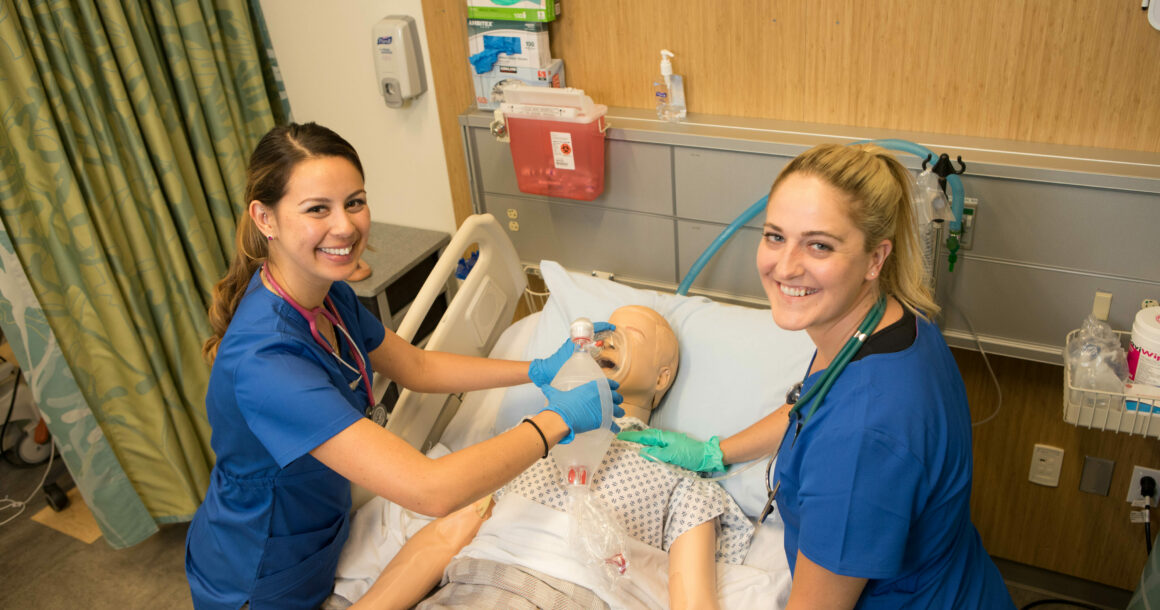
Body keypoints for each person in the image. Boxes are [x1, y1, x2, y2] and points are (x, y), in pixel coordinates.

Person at [185, 122, 622, 610]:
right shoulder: (263, 362)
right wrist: (557, 419)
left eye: (354, 201)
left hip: (319, 536)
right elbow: (431, 491)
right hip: (258, 575)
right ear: (265, 218)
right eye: (317, 209)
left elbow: (416, 366)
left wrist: (538, 369)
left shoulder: (330, 297)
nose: (346, 227)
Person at [619, 144, 1014, 608]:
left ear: (875, 259)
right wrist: (714, 452)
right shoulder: (887, 326)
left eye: (819, 245)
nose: (785, 266)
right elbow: (813, 401)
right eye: (774, 236)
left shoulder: (861, 438)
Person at [333, 305, 753, 610]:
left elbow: (692, 597)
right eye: (605, 330)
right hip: (473, 589)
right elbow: (444, 537)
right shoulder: (529, 443)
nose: (607, 339)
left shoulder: (680, 479)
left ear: (662, 378)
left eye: (631, 336)